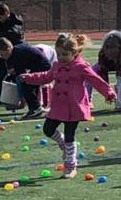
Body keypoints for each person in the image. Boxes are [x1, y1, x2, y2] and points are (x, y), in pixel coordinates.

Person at [20, 34, 115, 179]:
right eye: (58, 54)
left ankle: (71, 166)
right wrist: (28, 77)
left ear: (74, 53)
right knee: (48, 129)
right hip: (58, 105)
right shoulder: (57, 65)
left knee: (70, 136)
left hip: (74, 107)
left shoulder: (81, 67)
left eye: (65, 54)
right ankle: (63, 144)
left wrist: (108, 92)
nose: (61, 57)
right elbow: (47, 77)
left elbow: (96, 80)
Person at [0, 37, 52, 119]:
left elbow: (21, 75)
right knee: (28, 83)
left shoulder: (17, 54)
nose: (1, 57)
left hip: (43, 66)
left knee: (27, 83)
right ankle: (35, 108)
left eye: (2, 54)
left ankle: (35, 108)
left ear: (8, 49)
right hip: (37, 66)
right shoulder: (13, 54)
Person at [92, 31, 121, 110]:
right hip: (108, 66)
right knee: (90, 73)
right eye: (108, 48)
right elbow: (103, 72)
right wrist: (107, 92)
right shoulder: (102, 54)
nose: (110, 52)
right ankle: (87, 101)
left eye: (113, 49)